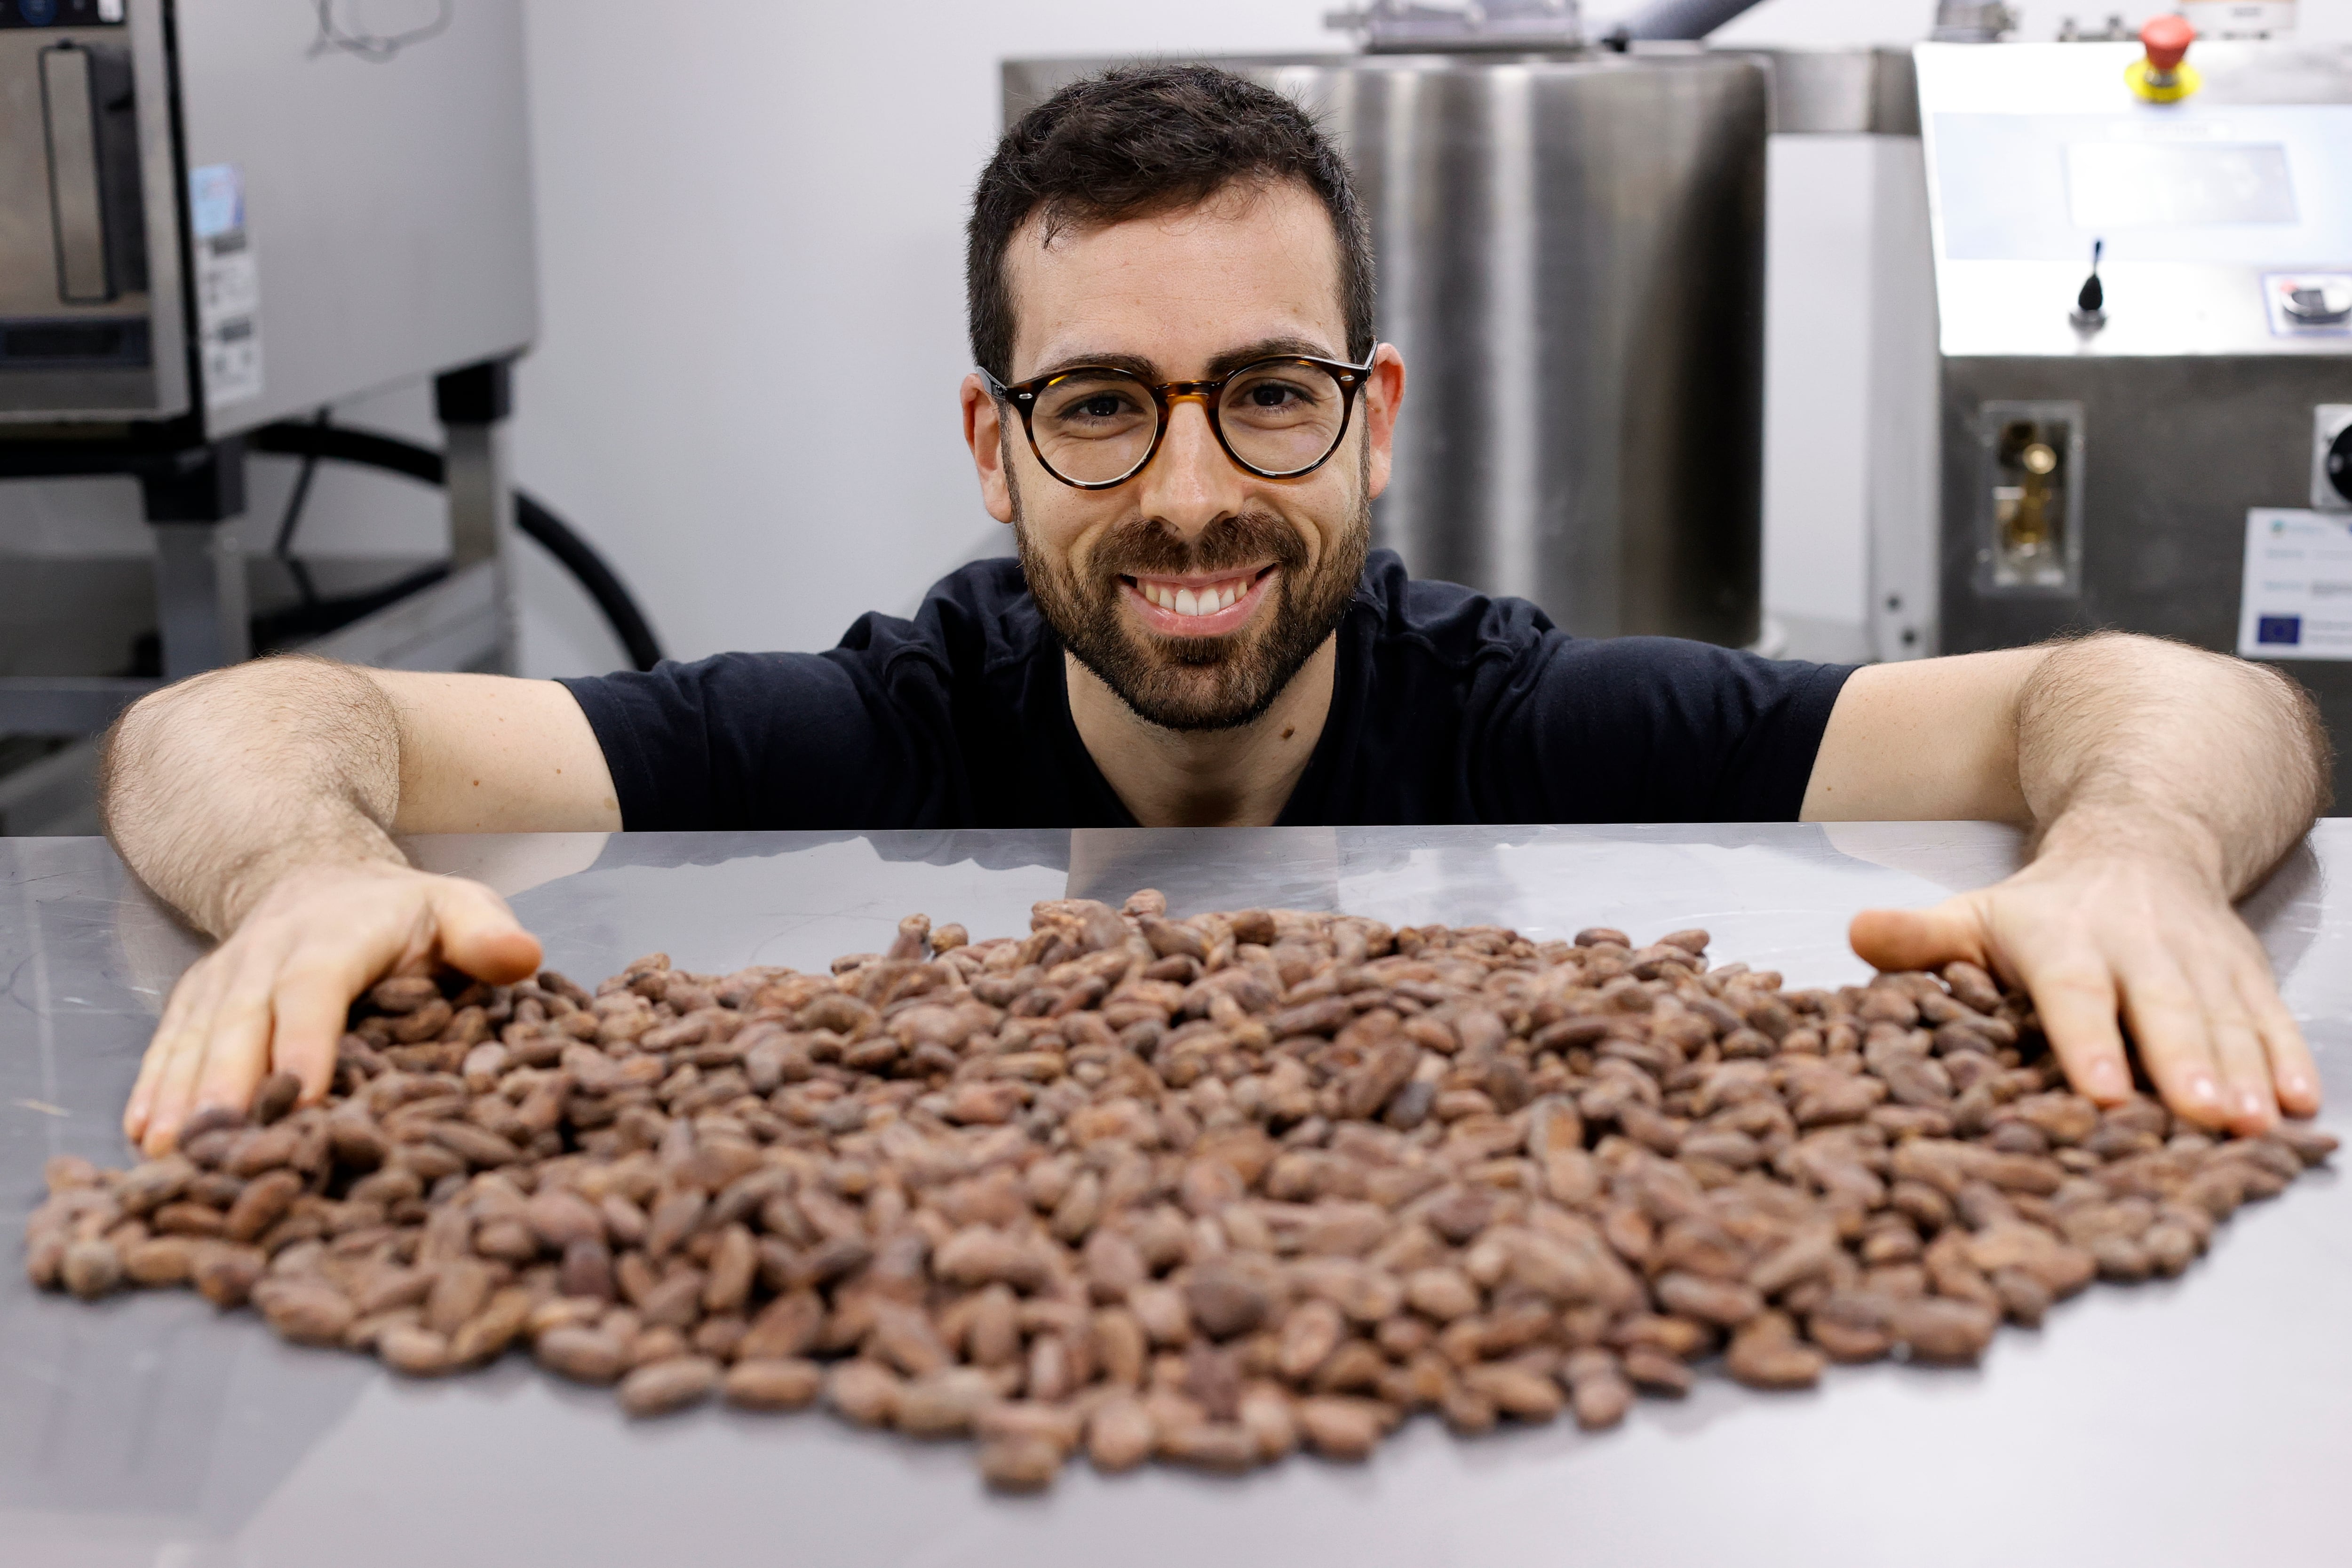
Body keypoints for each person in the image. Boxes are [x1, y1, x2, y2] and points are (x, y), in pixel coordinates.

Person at [102, 65, 2325, 1158]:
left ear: (1366, 420)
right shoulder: (886, 733)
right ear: (992, 450)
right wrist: (310, 874)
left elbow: (2157, 692)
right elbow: (230, 726)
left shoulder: (1519, 729)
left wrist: (2124, 856)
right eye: (1097, 405)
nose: (1189, 493)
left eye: (1263, 395)